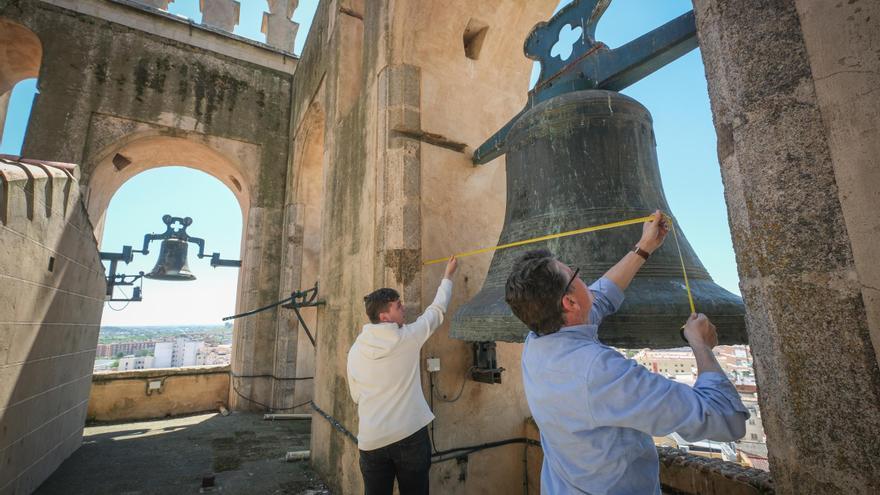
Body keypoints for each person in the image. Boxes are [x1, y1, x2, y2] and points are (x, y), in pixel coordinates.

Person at [505, 211, 748, 495]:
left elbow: (602, 296)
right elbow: (726, 418)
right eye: (576, 275)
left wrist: (644, 247)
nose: (584, 280)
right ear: (569, 302)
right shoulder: (598, 371)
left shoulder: (537, 340)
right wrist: (701, 346)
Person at [347, 256, 458, 495]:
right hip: (409, 437)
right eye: (398, 306)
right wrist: (448, 276)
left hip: (371, 441)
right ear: (384, 316)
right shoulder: (407, 338)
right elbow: (436, 311)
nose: (403, 308)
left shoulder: (355, 350)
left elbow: (356, 395)